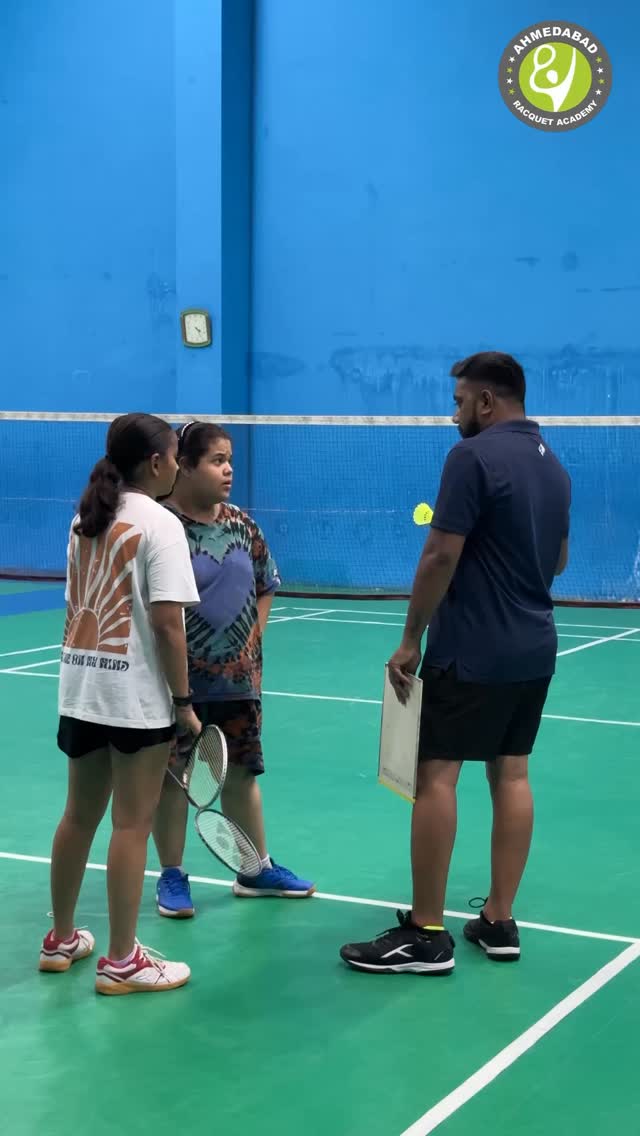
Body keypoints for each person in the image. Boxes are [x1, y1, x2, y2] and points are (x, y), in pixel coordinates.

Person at [340, 352, 571, 975]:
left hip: (472, 650)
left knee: (437, 776)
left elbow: (440, 553)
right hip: (535, 647)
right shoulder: (555, 467)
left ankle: (427, 933)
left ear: (488, 402)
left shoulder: (472, 457)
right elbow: (560, 560)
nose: (454, 414)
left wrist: (411, 637)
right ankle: (499, 919)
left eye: (460, 401)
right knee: (512, 774)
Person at [39, 413, 201, 995]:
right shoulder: (161, 524)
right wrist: (184, 702)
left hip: (81, 690)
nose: (180, 464)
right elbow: (168, 626)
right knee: (131, 824)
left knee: (77, 816)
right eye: (177, 455)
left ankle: (60, 940)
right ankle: (122, 960)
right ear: (157, 463)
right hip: (135, 699)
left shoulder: (86, 516)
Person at [152, 420, 314, 915]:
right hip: (177, 681)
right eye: (217, 461)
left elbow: (268, 582)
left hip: (239, 680)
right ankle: (172, 876)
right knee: (175, 775)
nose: (228, 470)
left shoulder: (243, 524)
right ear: (184, 465)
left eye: (230, 461)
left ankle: (254, 868)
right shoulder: (163, 528)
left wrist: (253, 635)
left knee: (243, 772)